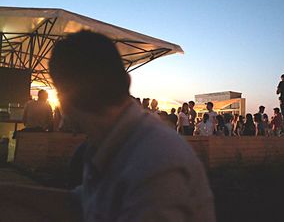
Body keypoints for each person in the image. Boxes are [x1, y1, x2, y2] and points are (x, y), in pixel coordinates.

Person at [0, 31, 216, 221]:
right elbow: (84, 203)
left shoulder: (154, 161)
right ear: (126, 81)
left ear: (63, 100)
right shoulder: (112, 141)